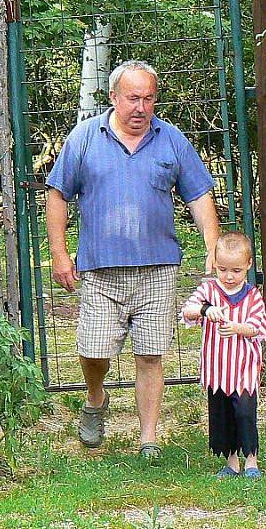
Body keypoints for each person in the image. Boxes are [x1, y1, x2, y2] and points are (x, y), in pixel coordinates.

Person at [45, 60, 220, 459]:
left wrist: (212, 243)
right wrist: (59, 253)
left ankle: (149, 439)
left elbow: (198, 194)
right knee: (93, 350)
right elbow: (57, 195)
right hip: (101, 267)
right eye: (132, 98)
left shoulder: (171, 139)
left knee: (150, 353)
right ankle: (95, 398)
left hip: (158, 265)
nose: (141, 107)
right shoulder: (85, 137)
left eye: (148, 98)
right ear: (113, 97)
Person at [181, 231, 266, 479]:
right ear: (215, 264)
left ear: (248, 266)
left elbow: (259, 328)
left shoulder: (253, 296)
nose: (229, 277)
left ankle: (252, 460)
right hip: (217, 372)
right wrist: (206, 310)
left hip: (243, 372)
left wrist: (237, 328)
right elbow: (187, 310)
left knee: (244, 413)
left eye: (236, 271)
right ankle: (232, 463)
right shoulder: (208, 290)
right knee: (223, 415)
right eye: (223, 269)